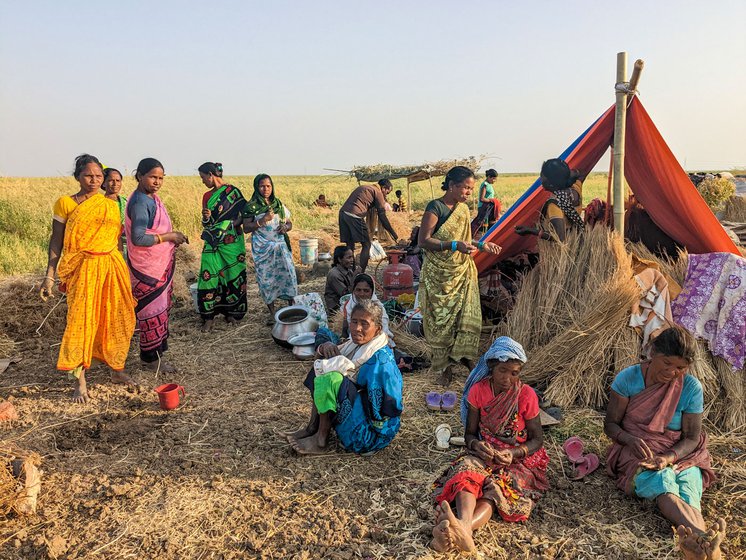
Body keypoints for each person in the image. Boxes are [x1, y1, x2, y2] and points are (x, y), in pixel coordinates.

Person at [604, 326, 726, 560]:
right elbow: (610, 425)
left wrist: (669, 457)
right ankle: (705, 540)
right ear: (652, 353)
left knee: (687, 480)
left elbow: (691, 438)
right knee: (661, 479)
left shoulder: (691, 388)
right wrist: (629, 439)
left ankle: (696, 546)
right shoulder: (628, 379)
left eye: (680, 368)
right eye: (667, 363)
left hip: (678, 452)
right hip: (637, 449)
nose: (672, 372)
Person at [431, 337, 549, 552]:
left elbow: (537, 440)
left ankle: (462, 529)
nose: (508, 378)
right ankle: (464, 527)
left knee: (499, 488)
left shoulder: (526, 395)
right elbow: (469, 434)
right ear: (492, 367)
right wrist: (477, 446)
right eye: (503, 370)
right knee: (466, 473)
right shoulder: (479, 391)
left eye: (514, 373)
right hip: (485, 453)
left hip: (519, 459)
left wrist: (513, 453)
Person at [40, 154, 137, 402]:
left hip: (110, 267)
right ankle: (80, 381)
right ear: (77, 177)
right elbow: (56, 241)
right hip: (82, 270)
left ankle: (117, 370)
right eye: (88, 175)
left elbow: (115, 240)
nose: (94, 180)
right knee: (81, 322)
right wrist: (49, 277)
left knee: (116, 317)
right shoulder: (66, 203)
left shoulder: (109, 204)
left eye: (98, 176)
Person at [286, 299, 403, 456]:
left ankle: (321, 441)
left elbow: (388, 408)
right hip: (359, 414)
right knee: (323, 367)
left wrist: (346, 388)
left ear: (378, 329)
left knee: (331, 378)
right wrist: (323, 349)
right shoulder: (355, 345)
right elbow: (322, 363)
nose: (356, 328)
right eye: (354, 322)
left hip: (371, 434)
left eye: (364, 323)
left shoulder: (381, 361)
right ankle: (313, 427)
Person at [418, 166, 501, 385]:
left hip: (461, 272)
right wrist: (453, 245)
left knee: (462, 317)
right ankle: (444, 367)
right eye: (465, 188)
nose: (469, 193)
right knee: (441, 321)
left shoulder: (462, 210)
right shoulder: (435, 207)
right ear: (452, 185)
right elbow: (423, 240)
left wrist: (482, 245)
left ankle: (464, 358)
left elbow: (466, 239)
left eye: (471, 189)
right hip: (439, 276)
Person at [125, 158, 188, 373]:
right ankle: (150, 361)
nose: (157, 182)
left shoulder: (151, 198)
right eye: (153, 177)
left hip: (155, 266)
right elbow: (139, 238)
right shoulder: (141, 202)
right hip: (148, 270)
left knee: (158, 311)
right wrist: (170, 236)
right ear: (139, 175)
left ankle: (156, 354)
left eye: (161, 178)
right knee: (152, 312)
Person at [197, 162, 248, 331]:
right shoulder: (206, 196)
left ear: (211, 175)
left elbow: (244, 216)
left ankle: (231, 313)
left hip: (232, 241)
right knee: (208, 275)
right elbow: (207, 223)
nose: (203, 181)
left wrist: (228, 225)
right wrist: (207, 217)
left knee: (231, 275)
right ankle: (208, 317)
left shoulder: (233, 192)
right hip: (213, 241)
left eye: (203, 178)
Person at [243, 173, 297, 324]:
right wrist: (262, 220)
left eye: (268, 186)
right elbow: (246, 228)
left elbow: (289, 223)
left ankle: (291, 309)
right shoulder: (251, 206)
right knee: (266, 280)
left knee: (288, 275)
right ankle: (273, 314)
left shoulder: (277, 204)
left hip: (280, 247)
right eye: (262, 186)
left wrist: (285, 227)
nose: (265, 189)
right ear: (256, 187)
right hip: (263, 249)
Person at [515, 158, 584, 242]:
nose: (540, 179)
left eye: (543, 177)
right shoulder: (575, 188)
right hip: (576, 241)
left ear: (551, 183)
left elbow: (560, 238)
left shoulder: (554, 205)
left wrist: (530, 230)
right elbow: (578, 173)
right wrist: (563, 175)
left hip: (563, 251)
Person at [339, 179, 400, 273]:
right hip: (355, 215)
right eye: (387, 193)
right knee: (367, 244)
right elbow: (382, 216)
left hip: (343, 214)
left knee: (350, 244)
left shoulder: (366, 187)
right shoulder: (378, 191)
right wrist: (393, 233)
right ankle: (361, 273)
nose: (385, 195)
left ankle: (350, 271)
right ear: (383, 188)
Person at [102, 167, 128, 259]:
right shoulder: (99, 203)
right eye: (111, 180)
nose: (115, 184)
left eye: (118, 180)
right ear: (104, 183)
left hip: (128, 247)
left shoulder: (126, 202)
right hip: (106, 247)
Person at [324, 245, 355, 313]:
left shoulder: (348, 270)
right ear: (340, 259)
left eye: (352, 257)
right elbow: (346, 295)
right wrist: (355, 277)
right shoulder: (334, 274)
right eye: (349, 257)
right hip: (337, 308)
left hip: (347, 302)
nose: (352, 260)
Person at [470, 169, 501, 237]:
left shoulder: (489, 185)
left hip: (489, 207)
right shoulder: (485, 185)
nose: (494, 180)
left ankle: (488, 236)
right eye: (493, 178)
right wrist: (493, 201)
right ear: (489, 177)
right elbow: (482, 199)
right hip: (484, 207)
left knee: (490, 222)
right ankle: (473, 236)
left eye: (495, 179)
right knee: (480, 223)